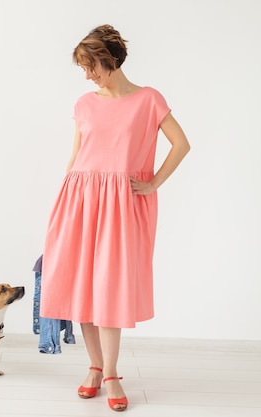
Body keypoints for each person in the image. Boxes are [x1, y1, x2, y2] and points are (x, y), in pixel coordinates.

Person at [39, 24, 190, 412]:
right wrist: (61, 200)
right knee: (82, 286)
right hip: (79, 198)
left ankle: (110, 373)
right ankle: (94, 368)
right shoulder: (84, 104)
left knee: (109, 285)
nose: (87, 76)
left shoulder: (148, 100)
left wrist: (153, 182)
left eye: (91, 66)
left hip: (121, 203)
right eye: (84, 69)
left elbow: (181, 143)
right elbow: (76, 156)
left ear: (108, 60)